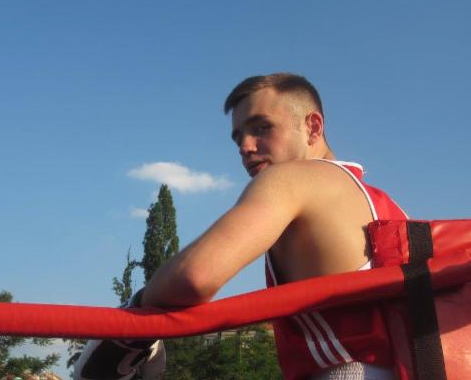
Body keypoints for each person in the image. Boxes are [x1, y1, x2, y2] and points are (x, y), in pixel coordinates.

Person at [75, 73, 407, 380]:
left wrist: (135, 317)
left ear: (312, 127)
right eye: (238, 139)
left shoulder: (291, 178)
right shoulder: (386, 206)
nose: (246, 147)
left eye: (261, 127)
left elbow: (195, 277)